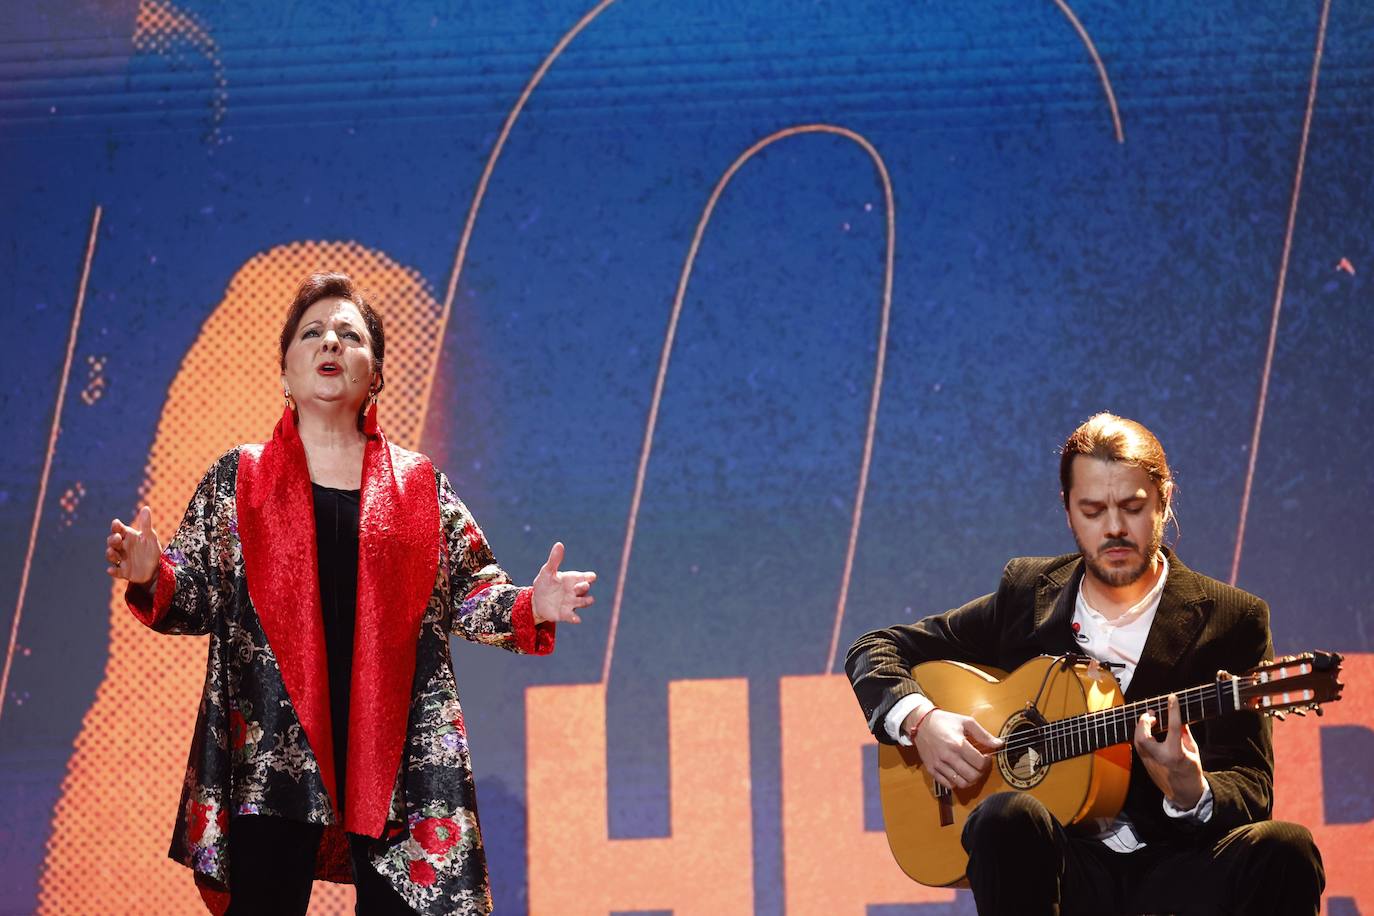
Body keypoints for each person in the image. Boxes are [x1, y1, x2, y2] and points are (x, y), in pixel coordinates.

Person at [104, 273, 596, 916]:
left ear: (376, 371)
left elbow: (471, 592)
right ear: (286, 366)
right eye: (312, 333)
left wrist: (535, 605)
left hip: (395, 749)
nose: (329, 342)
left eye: (349, 335)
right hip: (272, 749)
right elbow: (194, 595)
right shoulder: (242, 477)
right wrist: (151, 574)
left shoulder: (418, 485)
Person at [846, 413, 1325, 915]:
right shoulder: (1029, 593)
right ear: (1068, 510)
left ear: (1163, 499)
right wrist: (922, 721)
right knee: (1006, 815)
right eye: (1093, 510)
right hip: (1063, 868)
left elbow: (1251, 785)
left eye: (1132, 508)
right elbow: (875, 648)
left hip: (1178, 866)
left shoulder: (1231, 618)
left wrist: (1192, 791)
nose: (1114, 528)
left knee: (1284, 847)